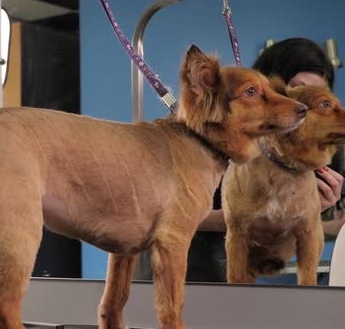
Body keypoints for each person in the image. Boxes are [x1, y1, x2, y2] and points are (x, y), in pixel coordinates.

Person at [134, 37, 344, 283]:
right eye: (295, 89)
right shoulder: (207, 135)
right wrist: (256, 216)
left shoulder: (320, 152)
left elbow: (330, 226)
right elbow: (156, 211)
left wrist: (307, 212)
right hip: (185, 267)